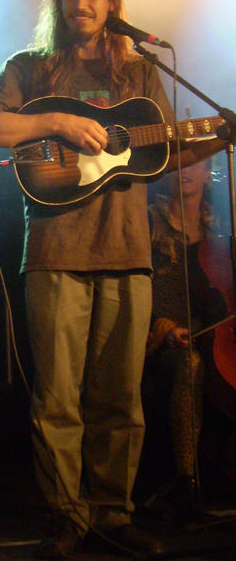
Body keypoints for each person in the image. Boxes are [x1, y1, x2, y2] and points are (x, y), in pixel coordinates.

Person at [0, 0, 226, 558]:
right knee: (57, 396)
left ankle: (113, 513)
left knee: (120, 397)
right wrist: (54, 120)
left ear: (113, 3)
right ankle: (66, 516)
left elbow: (156, 153)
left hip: (129, 249)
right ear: (58, 2)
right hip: (56, 249)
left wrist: (214, 137)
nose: (82, 4)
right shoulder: (30, 68)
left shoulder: (138, 72)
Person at [143, 159, 226, 522]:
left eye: (196, 164)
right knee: (190, 365)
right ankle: (185, 483)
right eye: (178, 163)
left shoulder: (220, 226)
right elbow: (135, 286)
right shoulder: (147, 219)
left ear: (209, 173)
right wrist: (163, 325)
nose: (185, 170)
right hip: (159, 336)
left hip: (212, 334)